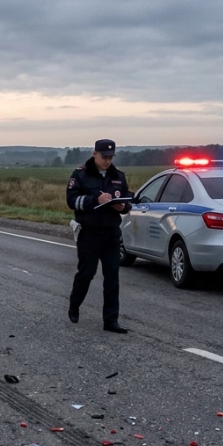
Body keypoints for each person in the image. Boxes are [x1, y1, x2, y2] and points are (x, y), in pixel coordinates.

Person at [66, 139, 133, 333]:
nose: (107, 161)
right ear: (94, 154)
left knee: (112, 278)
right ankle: (74, 305)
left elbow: (126, 200)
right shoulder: (80, 174)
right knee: (86, 273)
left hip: (111, 233)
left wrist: (123, 207)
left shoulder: (118, 175)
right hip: (89, 233)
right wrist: (95, 199)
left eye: (111, 157)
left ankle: (111, 321)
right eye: (104, 157)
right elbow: (71, 201)